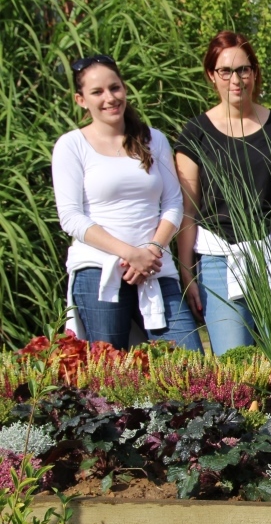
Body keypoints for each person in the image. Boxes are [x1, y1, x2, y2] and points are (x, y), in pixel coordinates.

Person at [52, 55, 201, 351]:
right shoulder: (71, 146)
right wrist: (130, 254)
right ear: (80, 100)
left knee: (189, 362)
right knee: (111, 378)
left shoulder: (153, 139)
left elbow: (173, 201)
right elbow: (71, 217)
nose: (109, 98)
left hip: (156, 268)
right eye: (97, 92)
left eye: (115, 88)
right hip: (99, 271)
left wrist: (152, 250)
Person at [174, 31, 271, 356]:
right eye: (226, 71)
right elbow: (188, 211)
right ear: (212, 75)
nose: (236, 79)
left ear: (255, 72)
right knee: (235, 368)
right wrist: (187, 273)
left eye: (244, 69)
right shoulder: (195, 134)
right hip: (220, 261)